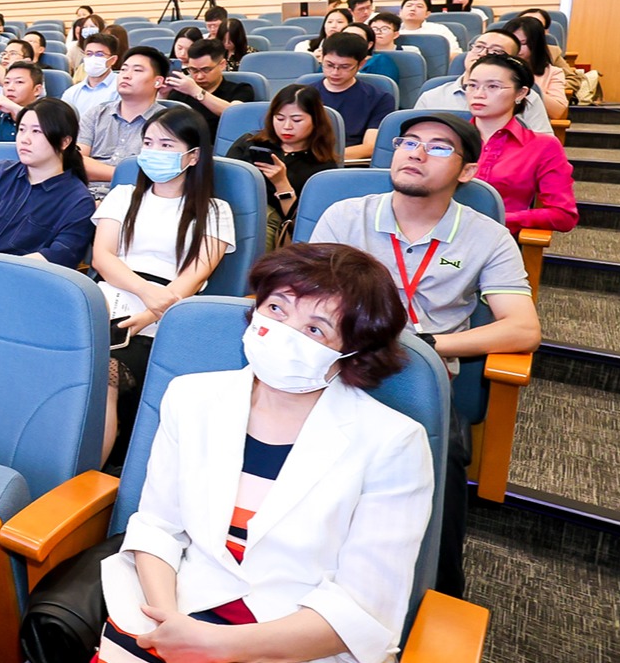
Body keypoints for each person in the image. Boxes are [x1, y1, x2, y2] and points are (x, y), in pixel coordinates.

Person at [99, 243, 431, 663]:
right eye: (276, 308)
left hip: (296, 640)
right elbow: (157, 527)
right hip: (179, 604)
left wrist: (215, 645)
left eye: (315, 329)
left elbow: (362, 608)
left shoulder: (394, 442)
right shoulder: (191, 397)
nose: (284, 332)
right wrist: (170, 623)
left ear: (352, 353)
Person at [310, 111, 541, 597]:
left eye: (438, 147)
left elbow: (522, 329)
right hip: (338, 364)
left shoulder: (487, 236)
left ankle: (437, 595)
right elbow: (306, 301)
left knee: (439, 465)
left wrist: (429, 346)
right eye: (409, 142)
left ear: (467, 170)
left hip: (422, 378)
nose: (416, 153)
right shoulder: (344, 216)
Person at [92, 105, 235, 463]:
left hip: (169, 312)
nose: (154, 152)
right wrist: (145, 294)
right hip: (109, 296)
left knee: (106, 376)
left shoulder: (215, 211)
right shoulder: (123, 195)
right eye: (149, 143)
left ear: (193, 156)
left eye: (167, 145)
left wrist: (150, 313)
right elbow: (102, 258)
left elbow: (193, 277)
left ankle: (82, 480)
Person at [0, 98, 95, 268]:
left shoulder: (78, 202)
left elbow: (59, 256)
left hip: (15, 276)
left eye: (36, 131)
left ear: (64, 142)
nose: (25, 139)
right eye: (21, 129)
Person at [462, 55, 578, 233]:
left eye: (493, 86)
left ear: (520, 93)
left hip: (498, 238)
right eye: (472, 85)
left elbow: (563, 216)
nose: (478, 94)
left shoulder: (543, 146)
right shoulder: (447, 138)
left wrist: (499, 218)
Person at [224, 85, 341, 249]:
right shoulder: (249, 143)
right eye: (279, 118)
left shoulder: (322, 167)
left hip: (272, 223)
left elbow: (300, 224)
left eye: (297, 120)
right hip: (231, 212)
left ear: (315, 121)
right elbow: (222, 183)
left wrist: (281, 183)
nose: (287, 126)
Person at [412, 31, 552, 135]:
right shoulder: (431, 97)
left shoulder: (526, 97)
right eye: (479, 47)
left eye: (496, 51)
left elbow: (543, 144)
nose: (483, 54)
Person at [79, 47, 170, 200]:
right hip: (84, 196)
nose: (126, 75)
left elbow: (155, 174)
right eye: (123, 69)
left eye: (137, 70)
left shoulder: (166, 122)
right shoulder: (96, 114)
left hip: (136, 199)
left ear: (158, 81)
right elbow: (77, 162)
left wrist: (99, 171)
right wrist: (125, 174)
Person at [309, 33, 393, 161]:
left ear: (361, 64)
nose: (335, 72)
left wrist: (324, 158)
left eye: (345, 67)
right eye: (329, 65)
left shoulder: (380, 99)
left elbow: (370, 147)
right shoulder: (303, 94)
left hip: (349, 163)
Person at [163, 39, 254, 136]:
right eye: (193, 70)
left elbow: (234, 114)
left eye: (206, 70)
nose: (199, 76)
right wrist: (163, 94)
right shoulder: (181, 90)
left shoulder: (241, 89)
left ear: (222, 65)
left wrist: (196, 91)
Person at [504, 16, 568, 120]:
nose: (516, 47)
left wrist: (527, 82)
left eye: (522, 43)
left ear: (536, 45)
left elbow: (558, 112)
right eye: (511, 42)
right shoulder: (488, 69)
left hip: (531, 125)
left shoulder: (553, 72)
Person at [63, 32, 121, 117]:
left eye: (99, 54)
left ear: (113, 60)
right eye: (89, 54)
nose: (93, 58)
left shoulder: (122, 88)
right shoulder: (71, 93)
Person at [397, 0, 462, 53]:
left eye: (419, 6)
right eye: (409, 6)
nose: (413, 9)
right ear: (400, 12)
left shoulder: (439, 30)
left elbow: (455, 53)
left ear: (427, 14)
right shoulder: (394, 31)